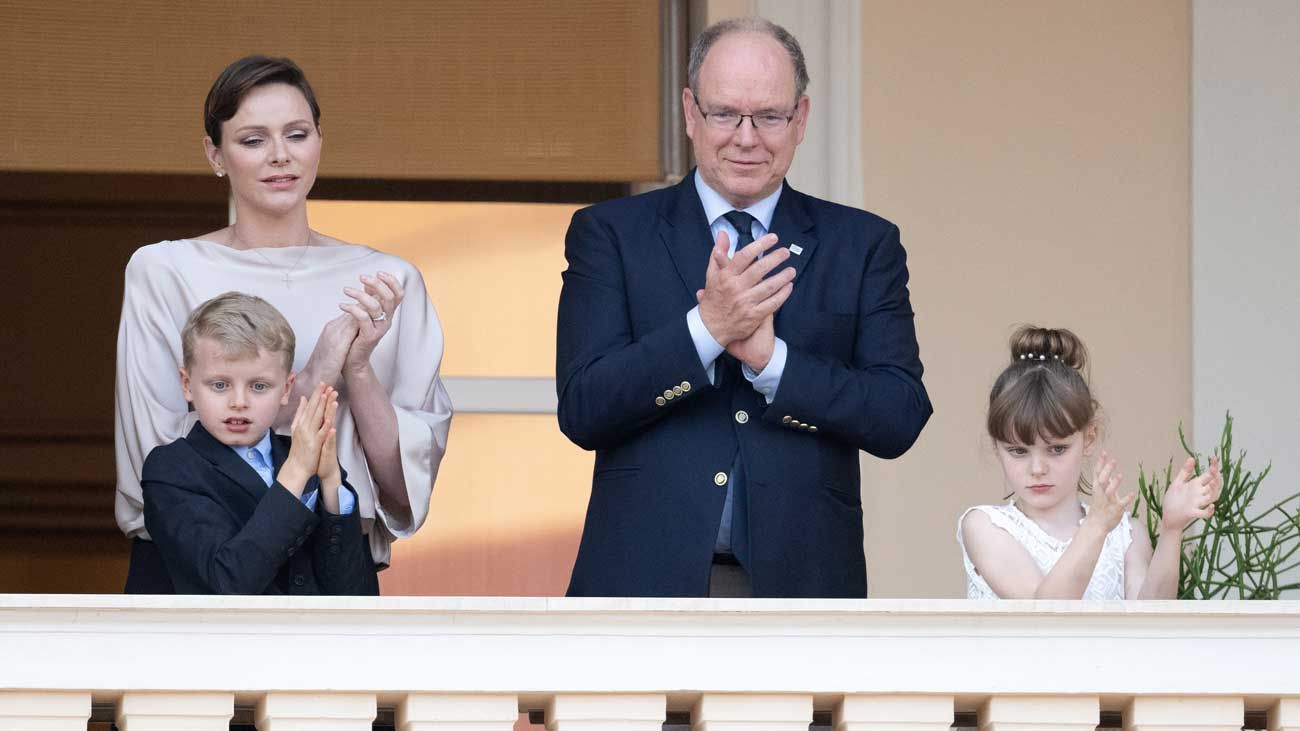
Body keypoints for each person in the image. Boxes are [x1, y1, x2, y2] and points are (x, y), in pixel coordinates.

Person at [555, 17, 932, 598]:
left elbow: (899, 413)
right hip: (640, 585)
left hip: (804, 587)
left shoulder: (862, 244)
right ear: (690, 113)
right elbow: (583, 407)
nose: (747, 137)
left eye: (770, 116)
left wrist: (773, 361)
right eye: (725, 113)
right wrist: (706, 331)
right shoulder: (611, 233)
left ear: (801, 118)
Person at [116, 56, 453, 593]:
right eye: (253, 140)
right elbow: (164, 460)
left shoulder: (386, 279)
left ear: (320, 140)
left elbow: (402, 488)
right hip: (192, 573)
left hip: (334, 567)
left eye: (296, 134)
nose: (280, 156)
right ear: (215, 154)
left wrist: (358, 370)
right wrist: (322, 370)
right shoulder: (164, 270)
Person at [957, 326, 1223, 599]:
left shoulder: (1126, 534)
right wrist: (1095, 526)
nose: (1037, 469)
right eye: (1018, 451)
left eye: (1057, 449)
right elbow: (1043, 616)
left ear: (1089, 437)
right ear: (996, 445)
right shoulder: (984, 526)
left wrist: (1171, 529)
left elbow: (1151, 623)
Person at [142, 292, 376, 594]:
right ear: (187, 385)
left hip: (313, 640)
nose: (238, 402)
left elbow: (353, 594)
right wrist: (295, 472)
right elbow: (229, 580)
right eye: (220, 385)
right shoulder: (172, 468)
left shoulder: (306, 457)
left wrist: (331, 481)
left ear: (286, 389)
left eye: (259, 386)